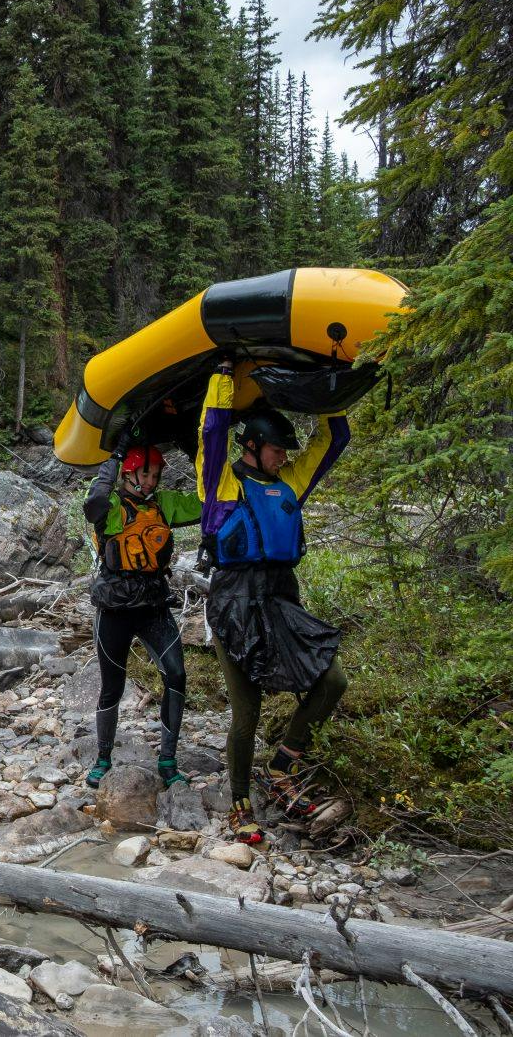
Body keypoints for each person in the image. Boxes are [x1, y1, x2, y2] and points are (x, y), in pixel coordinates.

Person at [198, 357, 351, 845]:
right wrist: (223, 377)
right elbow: (213, 430)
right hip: (235, 604)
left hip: (282, 598)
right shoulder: (221, 484)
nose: (285, 455)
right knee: (248, 710)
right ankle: (239, 802)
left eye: (287, 449)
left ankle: (284, 767)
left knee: (333, 679)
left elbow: (335, 441)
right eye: (277, 449)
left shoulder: (289, 484)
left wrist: (332, 393)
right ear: (252, 447)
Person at [82, 440, 202, 790]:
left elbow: (205, 504)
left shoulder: (163, 505)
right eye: (144, 474)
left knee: (176, 675)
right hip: (114, 608)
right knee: (111, 688)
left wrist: (202, 454)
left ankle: (167, 759)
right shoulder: (114, 505)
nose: (150, 481)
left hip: (154, 606)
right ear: (129, 473)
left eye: (155, 475)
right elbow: (94, 505)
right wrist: (113, 459)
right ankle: (103, 758)